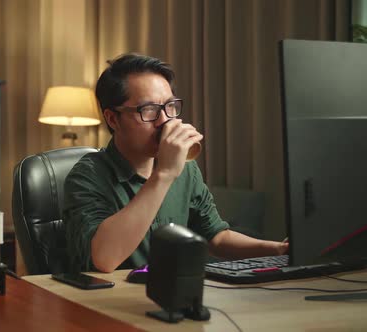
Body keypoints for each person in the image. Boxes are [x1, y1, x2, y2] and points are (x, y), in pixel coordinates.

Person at [63, 54, 288, 273]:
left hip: (171, 296)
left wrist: (277, 250)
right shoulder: (87, 175)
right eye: (149, 110)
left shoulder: (185, 168)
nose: (165, 121)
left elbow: (216, 237)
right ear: (113, 119)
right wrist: (164, 174)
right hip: (105, 301)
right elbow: (104, 259)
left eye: (170, 107)